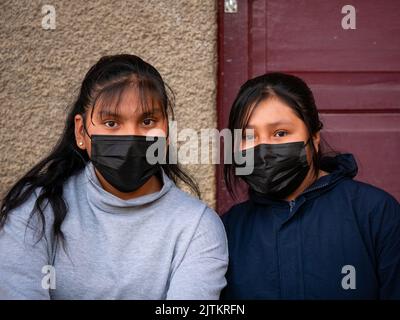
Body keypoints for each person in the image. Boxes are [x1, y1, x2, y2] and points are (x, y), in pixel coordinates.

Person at [0, 54, 228, 300]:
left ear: (167, 133)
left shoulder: (197, 227)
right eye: (111, 123)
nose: (130, 138)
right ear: (81, 131)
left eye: (148, 120)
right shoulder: (37, 211)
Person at [221, 72, 400, 299]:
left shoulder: (375, 213)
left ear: (314, 137)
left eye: (280, 133)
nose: (263, 149)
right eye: (248, 136)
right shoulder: (227, 229)